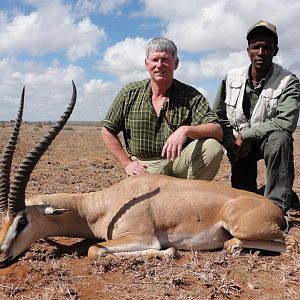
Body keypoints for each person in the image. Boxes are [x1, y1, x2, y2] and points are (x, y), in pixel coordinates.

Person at [102, 37, 224, 180]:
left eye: (165, 59)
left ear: (176, 63)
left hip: (177, 163)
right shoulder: (129, 93)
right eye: (154, 60)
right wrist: (127, 163)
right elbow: (107, 131)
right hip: (143, 167)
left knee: (212, 147)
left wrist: (185, 130)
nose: (159, 65)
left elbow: (217, 130)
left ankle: (189, 197)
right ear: (146, 64)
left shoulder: (191, 96)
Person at [213, 20, 300, 213]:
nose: (261, 52)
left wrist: (247, 135)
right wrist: (232, 143)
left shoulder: (288, 81)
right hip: (240, 144)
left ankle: (277, 207)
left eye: (267, 47)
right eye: (256, 47)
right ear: (248, 50)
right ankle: (258, 195)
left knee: (280, 140)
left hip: (267, 140)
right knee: (243, 201)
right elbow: (218, 115)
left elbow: (286, 121)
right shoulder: (231, 77)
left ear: (275, 50)